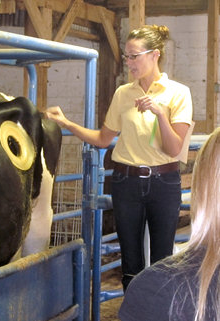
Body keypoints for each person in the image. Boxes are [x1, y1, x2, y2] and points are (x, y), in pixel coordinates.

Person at [46, 24, 193, 291]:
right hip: (126, 182)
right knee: (131, 264)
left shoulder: (178, 93)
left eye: (134, 56)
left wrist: (160, 114)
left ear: (155, 55)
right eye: (127, 56)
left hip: (165, 182)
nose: (129, 62)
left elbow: (174, 149)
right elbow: (103, 139)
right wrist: (67, 123)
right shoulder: (123, 94)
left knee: (164, 261)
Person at [118, 127, 220, 321]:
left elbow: (175, 145)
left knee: (158, 263)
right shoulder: (124, 98)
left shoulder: (157, 289)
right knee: (134, 258)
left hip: (162, 178)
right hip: (132, 181)